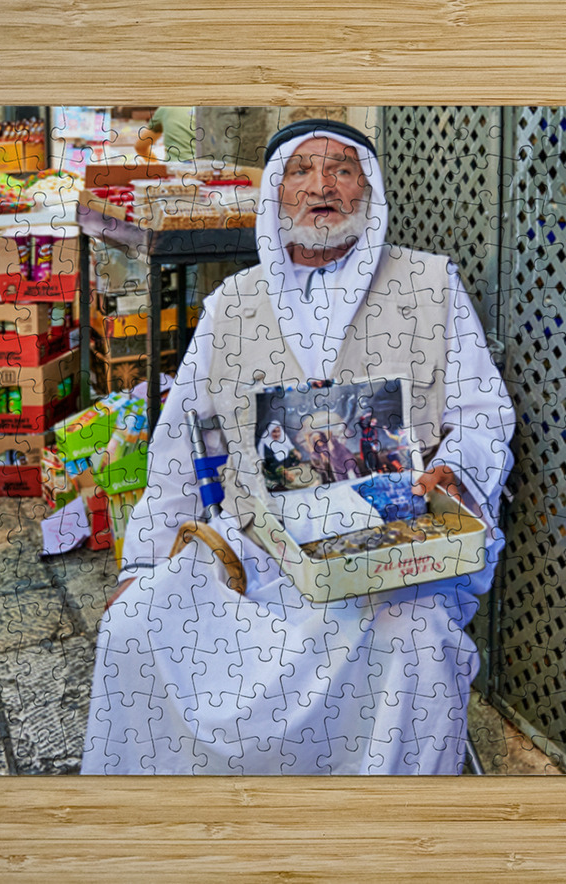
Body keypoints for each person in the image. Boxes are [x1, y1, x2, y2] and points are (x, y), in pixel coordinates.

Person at [81, 120, 514, 775]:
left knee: (414, 646)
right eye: (302, 171)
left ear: (367, 189)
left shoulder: (430, 285)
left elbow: (484, 414)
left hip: (391, 551)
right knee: (134, 625)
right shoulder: (233, 304)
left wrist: (456, 470)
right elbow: (179, 444)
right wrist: (140, 564)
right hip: (254, 549)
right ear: (276, 194)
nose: (322, 187)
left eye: (342, 170)